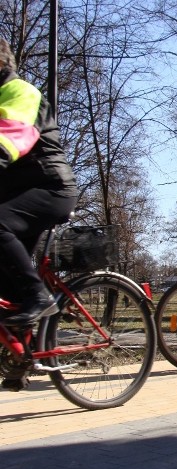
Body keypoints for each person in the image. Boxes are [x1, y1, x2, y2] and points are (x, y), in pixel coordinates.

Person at [0, 39, 78, 328]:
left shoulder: (20, 92)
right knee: (8, 288)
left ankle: (39, 295)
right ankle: (18, 365)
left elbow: (9, 139)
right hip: (18, 194)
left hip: (51, 188)